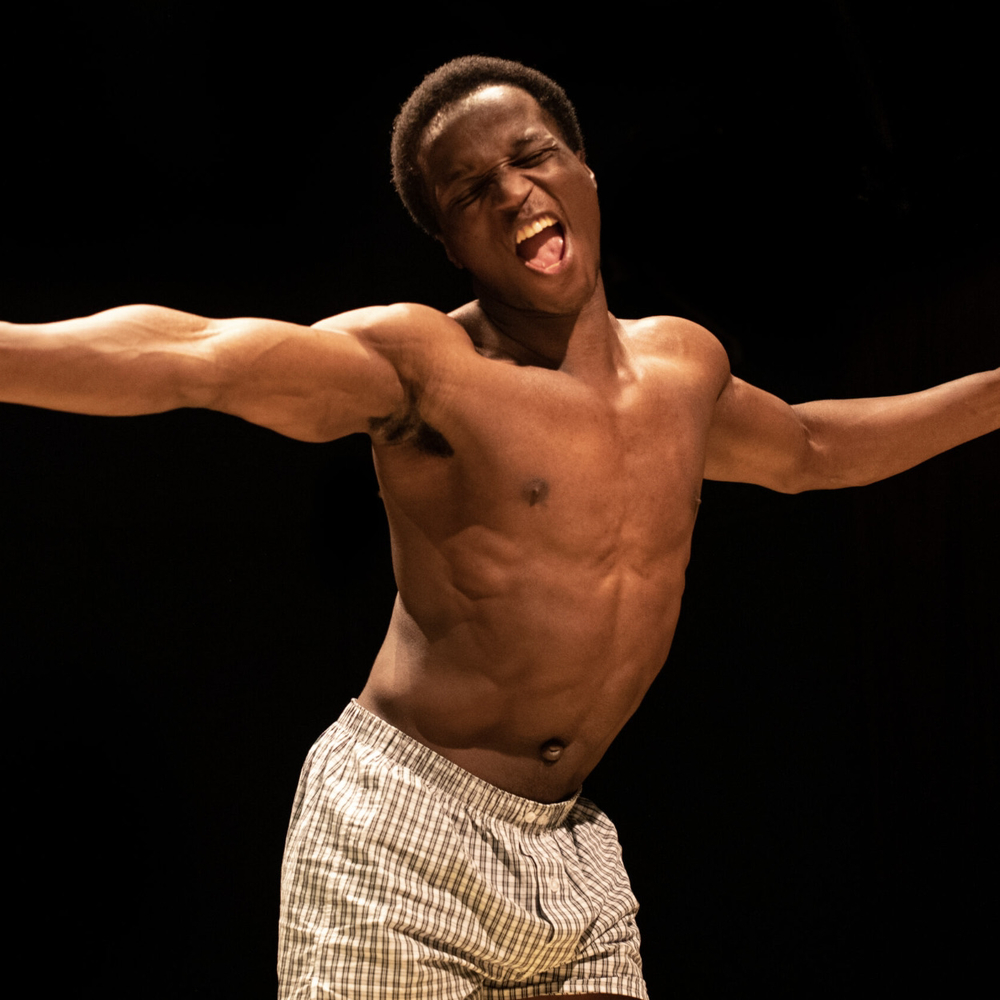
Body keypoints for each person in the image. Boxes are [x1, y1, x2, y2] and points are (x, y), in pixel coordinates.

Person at [1, 55, 996, 999]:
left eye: (530, 156)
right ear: (450, 242)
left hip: (568, 847)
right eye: (473, 190)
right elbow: (196, 355)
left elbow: (812, 447)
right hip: (399, 833)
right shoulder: (431, 368)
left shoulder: (684, 370)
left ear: (583, 170)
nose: (513, 191)